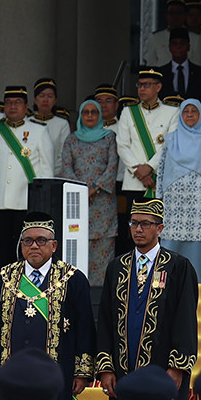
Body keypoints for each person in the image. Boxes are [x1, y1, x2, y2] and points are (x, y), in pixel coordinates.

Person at [0, 213, 95, 400]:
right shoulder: (3, 277)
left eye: (41, 240)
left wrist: (82, 372)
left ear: (54, 246)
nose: (34, 246)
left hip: (58, 373)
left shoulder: (72, 279)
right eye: (28, 240)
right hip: (11, 371)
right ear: (20, 245)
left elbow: (85, 327)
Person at [95, 199, 198, 400]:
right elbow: (106, 320)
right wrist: (106, 367)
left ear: (160, 228)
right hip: (122, 372)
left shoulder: (178, 267)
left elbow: (186, 319)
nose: (138, 229)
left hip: (162, 371)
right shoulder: (117, 267)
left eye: (145, 224)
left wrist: (178, 366)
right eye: (134, 223)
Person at [0, 85, 56, 268]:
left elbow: (46, 168)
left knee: (26, 244)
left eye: (17, 103)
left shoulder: (39, 131)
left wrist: (42, 199)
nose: (12, 107)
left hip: (26, 199)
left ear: (26, 107)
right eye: (9, 103)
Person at [156, 99, 201, 284]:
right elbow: (161, 170)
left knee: (199, 245)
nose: (189, 115)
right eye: (186, 111)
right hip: (174, 201)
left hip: (200, 200)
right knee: (171, 242)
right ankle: (167, 285)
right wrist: (158, 199)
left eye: (194, 111)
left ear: (200, 114)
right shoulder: (171, 139)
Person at [115, 69, 178, 250]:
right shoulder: (128, 112)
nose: (142, 89)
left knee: (157, 231)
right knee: (135, 232)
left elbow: (170, 145)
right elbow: (122, 145)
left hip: (159, 182)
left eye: (147, 85)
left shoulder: (172, 112)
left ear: (158, 87)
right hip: (134, 183)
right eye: (140, 85)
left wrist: (149, 167)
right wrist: (139, 171)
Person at [60, 99, 120, 283]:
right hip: (77, 202)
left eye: (94, 112)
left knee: (103, 246)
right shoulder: (71, 139)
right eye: (85, 112)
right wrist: (80, 190)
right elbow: (66, 167)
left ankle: (100, 294)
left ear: (99, 115)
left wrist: (93, 189)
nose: (90, 116)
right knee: (76, 244)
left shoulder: (109, 137)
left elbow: (112, 166)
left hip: (102, 202)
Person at [147, 0, 200, 68]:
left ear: (185, 15)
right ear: (166, 15)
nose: (175, 16)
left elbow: (198, 63)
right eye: (171, 13)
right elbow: (150, 63)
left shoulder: (195, 38)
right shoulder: (156, 37)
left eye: (179, 13)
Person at [31, 78, 72, 162]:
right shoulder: (27, 122)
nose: (45, 100)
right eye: (42, 96)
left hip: (54, 173)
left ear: (55, 100)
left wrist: (50, 172)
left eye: (50, 96)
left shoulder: (62, 124)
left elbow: (63, 154)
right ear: (35, 99)